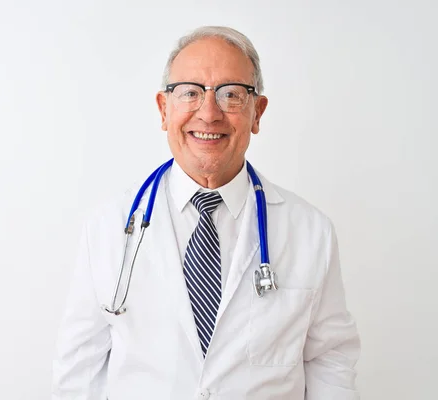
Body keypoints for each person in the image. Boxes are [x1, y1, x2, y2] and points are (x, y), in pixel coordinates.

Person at [51, 25, 360, 400]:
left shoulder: (310, 232)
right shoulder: (107, 227)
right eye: (190, 93)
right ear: (164, 110)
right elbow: (79, 372)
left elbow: (330, 361)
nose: (208, 113)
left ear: (257, 113)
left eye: (231, 94)